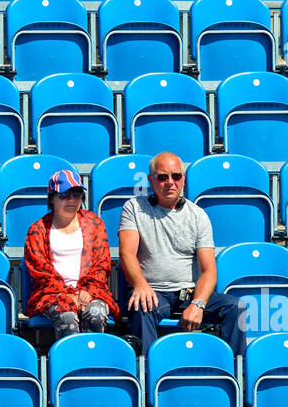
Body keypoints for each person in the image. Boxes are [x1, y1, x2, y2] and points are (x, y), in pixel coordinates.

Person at [118, 151, 247, 358]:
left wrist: (198, 304)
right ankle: (151, 374)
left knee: (235, 307)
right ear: (151, 181)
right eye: (162, 177)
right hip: (153, 292)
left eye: (176, 176)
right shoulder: (133, 208)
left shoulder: (198, 215)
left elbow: (208, 271)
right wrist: (141, 285)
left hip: (188, 294)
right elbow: (127, 253)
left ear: (183, 180)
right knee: (141, 306)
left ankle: (235, 372)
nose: (170, 182)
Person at [24, 169, 119, 338]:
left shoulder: (95, 224)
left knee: (95, 313)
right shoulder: (38, 230)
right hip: (52, 294)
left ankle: (94, 362)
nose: (71, 200)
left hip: (91, 291)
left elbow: (101, 264)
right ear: (52, 198)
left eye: (76, 194)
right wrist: (66, 295)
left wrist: (87, 291)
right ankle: (71, 364)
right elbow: (40, 271)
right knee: (66, 316)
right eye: (64, 195)